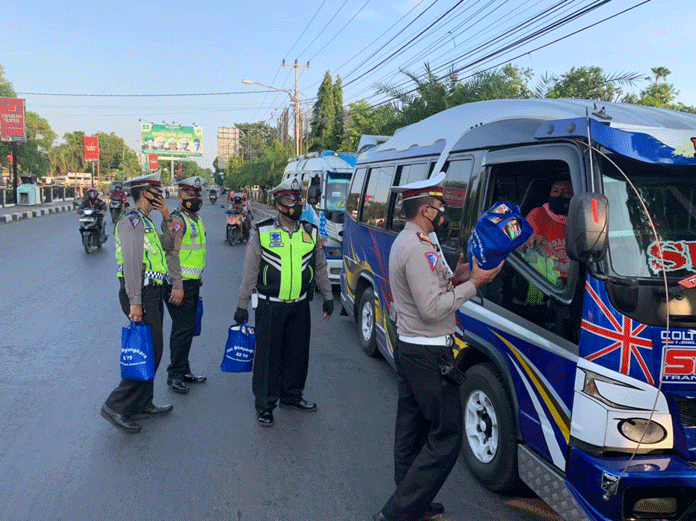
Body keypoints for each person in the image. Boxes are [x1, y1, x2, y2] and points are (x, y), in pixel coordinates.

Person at [375, 173, 503, 521]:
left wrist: (457, 277)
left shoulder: (417, 243)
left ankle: (412, 502)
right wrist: (475, 284)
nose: (444, 213)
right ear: (426, 211)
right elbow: (432, 309)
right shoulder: (416, 248)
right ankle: (397, 513)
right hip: (428, 352)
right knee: (447, 436)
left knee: (412, 431)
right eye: (440, 206)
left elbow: (433, 289)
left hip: (414, 347)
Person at [234, 177, 334, 428]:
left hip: (300, 305)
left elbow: (319, 266)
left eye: (297, 200)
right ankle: (265, 404)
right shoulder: (263, 230)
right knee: (268, 357)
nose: (296, 205)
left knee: (297, 354)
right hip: (270, 305)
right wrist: (242, 305)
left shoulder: (310, 232)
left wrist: (329, 297)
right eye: (290, 200)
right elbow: (250, 270)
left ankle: (292, 396)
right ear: (278, 204)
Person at [100, 171, 174, 434]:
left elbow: (167, 245)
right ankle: (116, 405)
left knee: (153, 350)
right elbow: (131, 264)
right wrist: (135, 302)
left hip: (152, 292)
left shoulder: (147, 221)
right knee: (149, 351)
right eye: (156, 191)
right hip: (139, 291)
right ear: (144, 193)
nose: (160, 195)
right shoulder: (131, 221)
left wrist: (167, 216)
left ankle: (142, 403)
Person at [162, 176, 207, 394]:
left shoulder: (195, 219)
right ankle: (175, 375)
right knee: (182, 329)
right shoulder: (177, 220)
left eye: (198, 195)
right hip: (177, 284)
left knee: (187, 329)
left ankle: (183, 369)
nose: (196, 199)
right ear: (180, 199)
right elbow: (172, 254)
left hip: (191, 283)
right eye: (190, 196)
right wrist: (177, 286)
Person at [524, 178, 574, 283]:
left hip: (573, 281)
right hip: (546, 281)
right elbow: (528, 247)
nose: (559, 195)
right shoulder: (538, 214)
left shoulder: (579, 220)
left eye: (565, 192)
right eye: (555, 191)